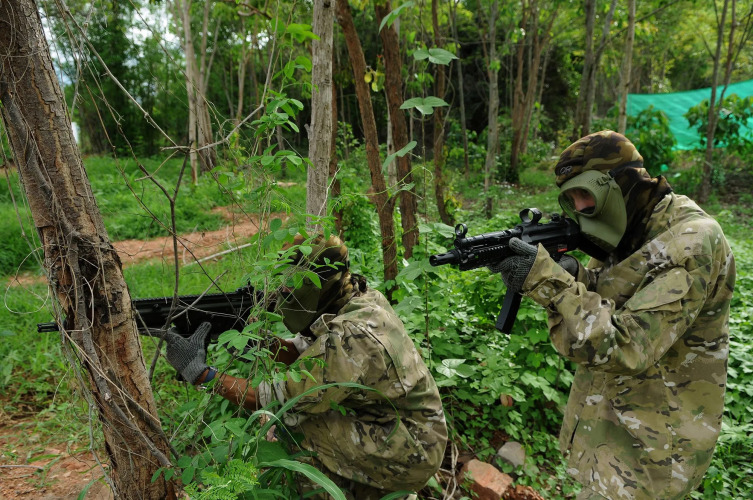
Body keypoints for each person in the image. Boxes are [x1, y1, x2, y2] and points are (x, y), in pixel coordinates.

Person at [495, 131, 736, 500]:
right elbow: (608, 296)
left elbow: (627, 344)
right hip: (612, 433)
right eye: (571, 199)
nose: (579, 207)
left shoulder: (691, 242)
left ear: (620, 184)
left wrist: (549, 281)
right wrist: (571, 273)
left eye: (585, 194)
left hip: (652, 454)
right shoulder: (630, 226)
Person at [156, 234, 448, 500]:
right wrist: (257, 342)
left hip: (414, 449)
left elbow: (275, 399)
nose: (282, 291)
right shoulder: (355, 297)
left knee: (295, 425)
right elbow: (307, 352)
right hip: (395, 425)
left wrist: (201, 374)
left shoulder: (351, 337)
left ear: (314, 284)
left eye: (290, 285)